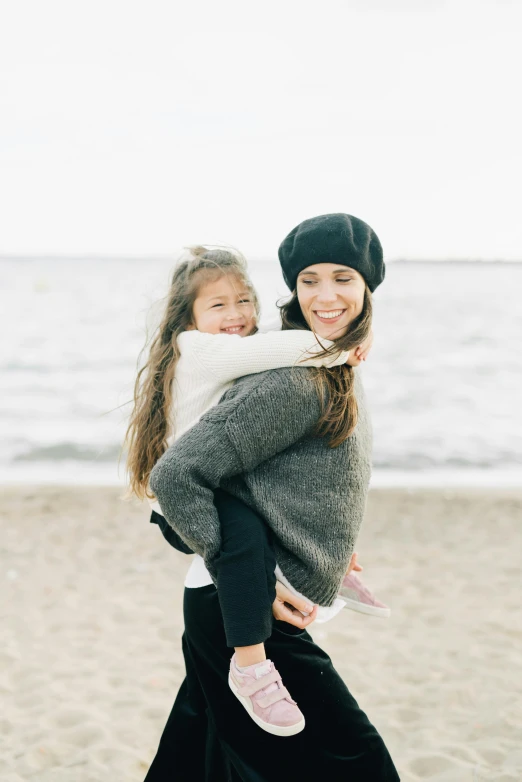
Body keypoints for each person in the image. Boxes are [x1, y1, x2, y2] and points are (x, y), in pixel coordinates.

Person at [144, 214, 400, 780]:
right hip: (245, 610)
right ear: (293, 286)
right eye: (309, 280)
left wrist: (332, 544)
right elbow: (178, 475)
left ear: (369, 284)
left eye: (343, 278)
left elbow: (298, 476)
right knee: (358, 766)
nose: (326, 295)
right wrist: (255, 581)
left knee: (198, 761)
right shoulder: (295, 375)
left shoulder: (323, 361)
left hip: (234, 600)